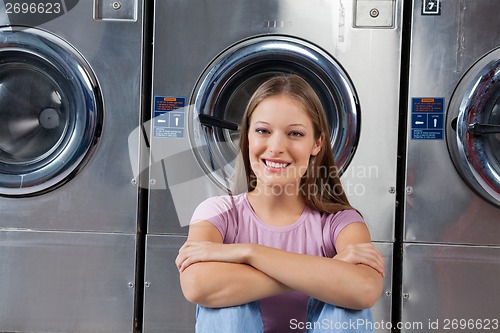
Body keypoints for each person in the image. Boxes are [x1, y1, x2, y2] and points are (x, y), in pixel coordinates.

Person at [175, 74, 385, 332]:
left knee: (348, 311)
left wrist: (247, 252)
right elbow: (198, 286)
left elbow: (364, 290)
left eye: (295, 133)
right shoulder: (218, 212)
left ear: (316, 143)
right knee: (226, 308)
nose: (276, 147)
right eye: (263, 130)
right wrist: (328, 271)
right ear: (248, 136)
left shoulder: (340, 221)